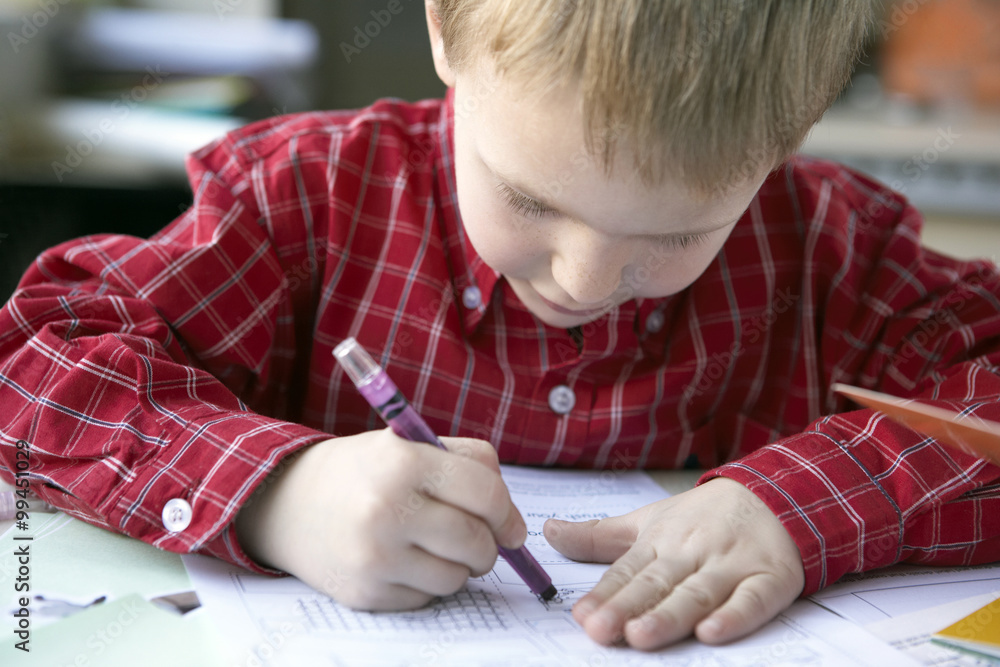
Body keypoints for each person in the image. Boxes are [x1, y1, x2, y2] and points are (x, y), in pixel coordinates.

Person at [2, 0, 999, 652]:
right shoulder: (306, 203)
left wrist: (797, 506)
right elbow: (35, 364)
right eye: (527, 199)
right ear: (447, 30)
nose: (584, 277)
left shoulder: (830, 254)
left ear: (798, 124)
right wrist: (274, 491)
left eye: (676, 233)